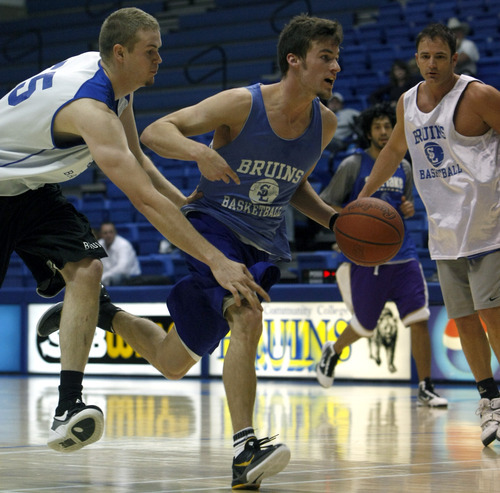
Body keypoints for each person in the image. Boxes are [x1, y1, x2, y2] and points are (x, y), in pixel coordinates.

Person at [38, 13, 344, 489]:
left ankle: (99, 311)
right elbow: (156, 132)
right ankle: (245, 449)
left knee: (171, 360)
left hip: (261, 241)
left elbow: (293, 183)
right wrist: (200, 152)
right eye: (325, 57)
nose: (335, 67)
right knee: (247, 312)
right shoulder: (243, 103)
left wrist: (333, 219)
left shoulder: (323, 124)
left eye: (337, 58)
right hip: (213, 228)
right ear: (295, 61)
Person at [1, 7, 269, 454]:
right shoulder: (90, 107)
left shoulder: (114, 84)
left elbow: (140, 161)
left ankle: (68, 406)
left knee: (87, 267)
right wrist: (216, 259)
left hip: (30, 190)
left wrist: (186, 203)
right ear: (121, 52)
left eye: (160, 50)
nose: (160, 59)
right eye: (152, 52)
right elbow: (142, 199)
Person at [357, 23, 500, 445]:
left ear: (455, 59)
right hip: (445, 231)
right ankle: (490, 402)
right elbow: (394, 150)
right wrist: (363, 197)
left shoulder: (478, 95)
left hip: (490, 224)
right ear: (416, 58)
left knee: (493, 316)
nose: (432, 64)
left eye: (440, 56)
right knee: (464, 320)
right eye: (424, 57)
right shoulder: (406, 102)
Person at [316, 103, 447, 407]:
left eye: (388, 126)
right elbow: (328, 204)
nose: (384, 131)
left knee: (419, 317)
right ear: (368, 131)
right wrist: (355, 220)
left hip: (405, 254)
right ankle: (333, 351)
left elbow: (406, 204)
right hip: (367, 258)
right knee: (365, 325)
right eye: (378, 127)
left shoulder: (404, 166)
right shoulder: (352, 164)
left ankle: (426, 385)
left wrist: (408, 209)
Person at [98, 221, 141, 285]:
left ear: (115, 232)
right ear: (101, 234)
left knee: (117, 277)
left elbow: (122, 268)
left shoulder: (123, 245)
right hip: (107, 278)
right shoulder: (98, 244)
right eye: (105, 233)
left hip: (130, 278)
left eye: (111, 232)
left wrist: (104, 276)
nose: (108, 235)